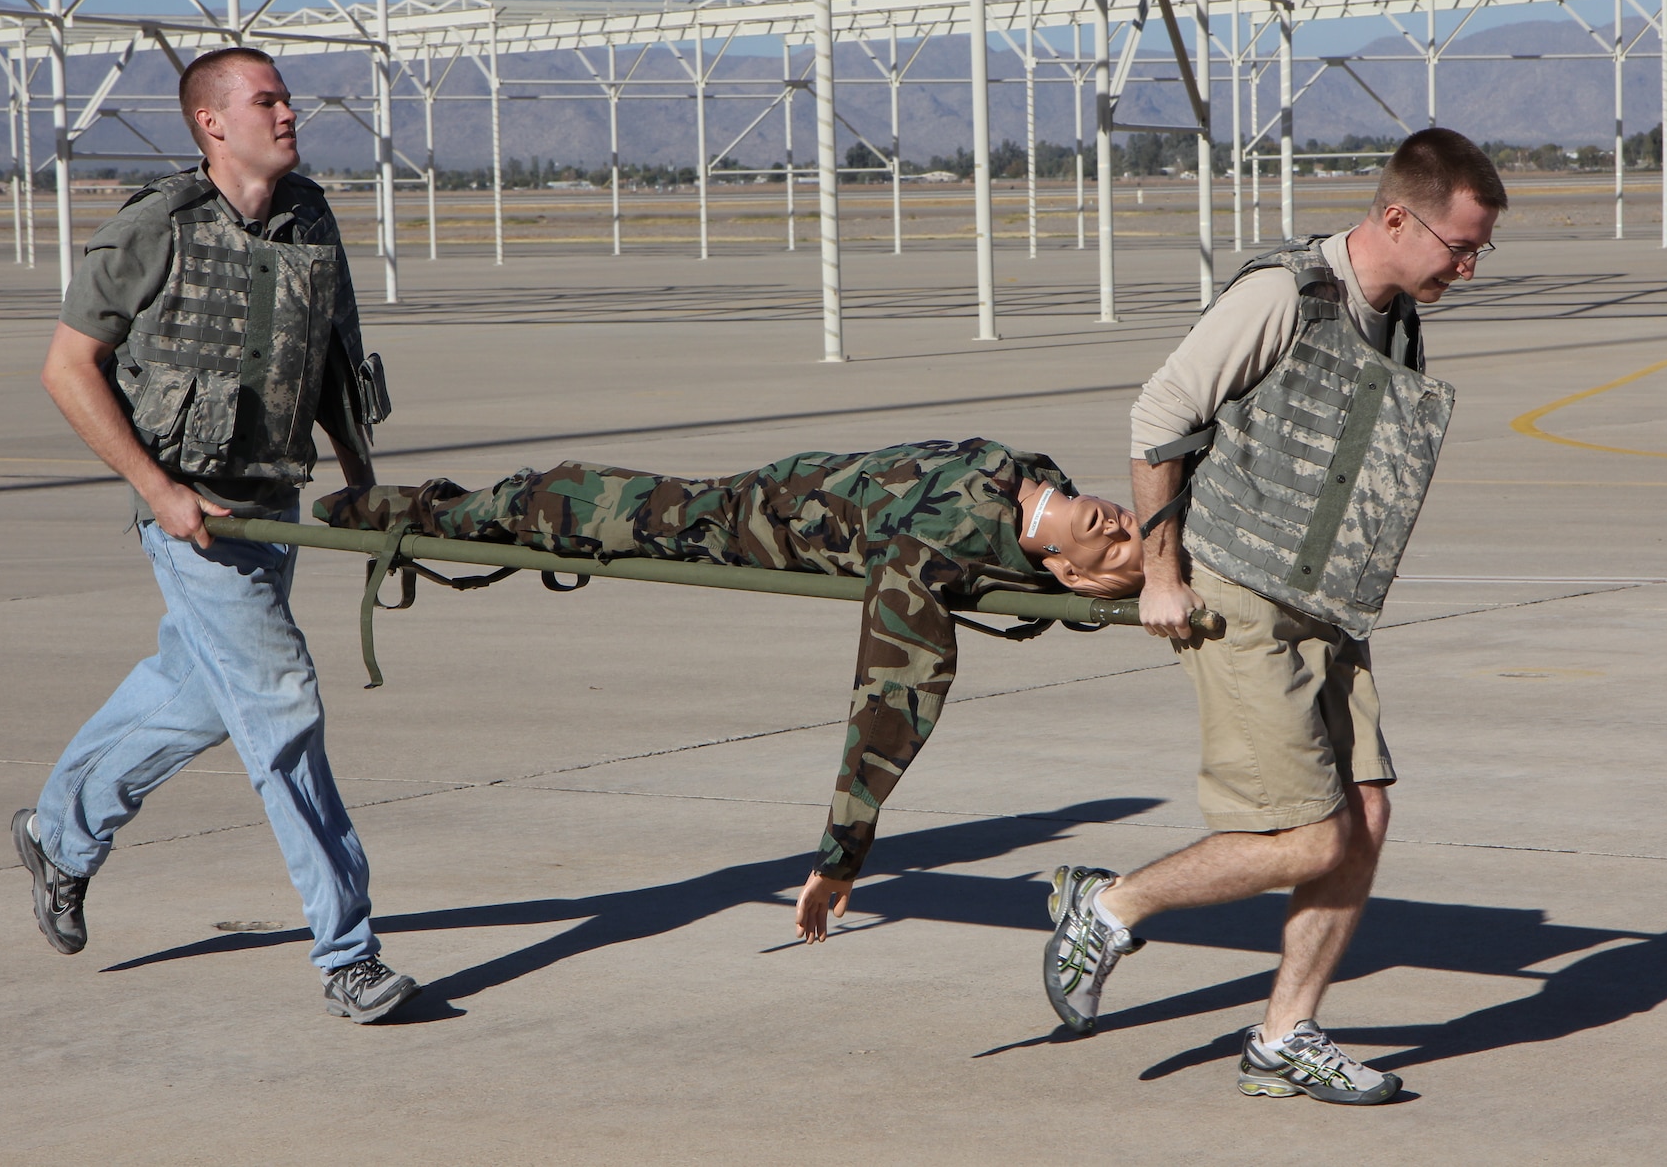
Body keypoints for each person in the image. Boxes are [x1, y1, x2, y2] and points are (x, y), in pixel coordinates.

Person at [1041, 129, 1507, 1104]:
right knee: (1305, 837)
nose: (1466, 267)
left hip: (1326, 603)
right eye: (1457, 246)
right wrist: (1160, 575)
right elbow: (1158, 414)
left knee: (1365, 816)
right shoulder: (1281, 295)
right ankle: (1108, 904)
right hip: (1237, 591)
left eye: (1477, 251)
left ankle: (1282, 1036)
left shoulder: (1395, 315)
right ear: (1393, 216)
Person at [314, 438, 1145, 944]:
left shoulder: (937, 548)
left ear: (1071, 576)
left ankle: (390, 510)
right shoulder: (1025, 472)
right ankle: (389, 505)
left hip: (721, 519)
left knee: (548, 502)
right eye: (1131, 527)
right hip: (757, 488)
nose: (1121, 526)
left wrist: (837, 859)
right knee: (544, 499)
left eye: (1118, 557)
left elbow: (889, 701)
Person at [13, 48, 418, 1023]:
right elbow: (69, 368)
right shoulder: (155, 228)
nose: (289, 112)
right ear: (213, 123)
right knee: (279, 703)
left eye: (285, 97)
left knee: (192, 694)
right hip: (194, 513)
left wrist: (365, 492)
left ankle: (60, 836)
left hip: (272, 504)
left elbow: (334, 361)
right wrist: (157, 490)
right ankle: (348, 951)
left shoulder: (310, 215)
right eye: (266, 99)